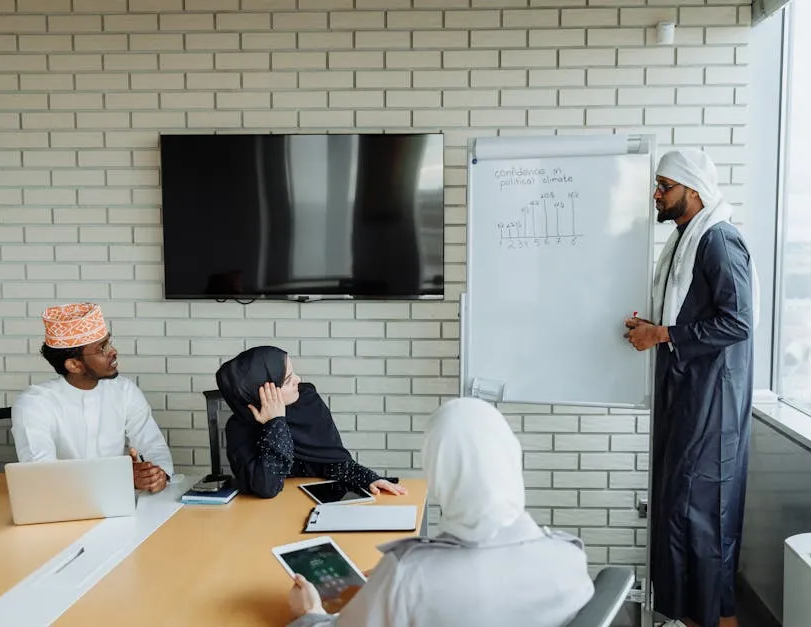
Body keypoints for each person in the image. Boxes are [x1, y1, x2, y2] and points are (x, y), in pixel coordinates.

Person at [285, 397, 595, 627]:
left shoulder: (408, 575)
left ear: (437, 472)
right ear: (512, 457)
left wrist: (309, 614)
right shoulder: (568, 555)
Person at [624, 149, 759, 627]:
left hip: (712, 404)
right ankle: (691, 617)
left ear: (693, 189)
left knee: (703, 519)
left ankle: (714, 620)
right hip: (689, 398)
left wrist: (662, 334)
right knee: (681, 514)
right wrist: (655, 324)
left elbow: (737, 322)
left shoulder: (718, 241)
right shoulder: (686, 240)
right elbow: (693, 312)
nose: (657, 195)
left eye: (665, 186)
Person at [12, 303, 174, 493]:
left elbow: (152, 446)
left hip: (120, 501)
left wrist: (155, 475)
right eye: (102, 348)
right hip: (61, 506)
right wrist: (120, 476)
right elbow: (41, 474)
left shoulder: (124, 390)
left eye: (109, 343)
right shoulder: (35, 403)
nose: (113, 351)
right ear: (74, 365)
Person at [217, 346, 407, 500]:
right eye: (288, 379)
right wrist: (275, 423)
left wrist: (368, 479)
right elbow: (267, 487)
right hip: (263, 518)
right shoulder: (239, 428)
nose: (298, 380)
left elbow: (331, 463)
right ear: (262, 393)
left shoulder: (308, 402)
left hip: (310, 508)